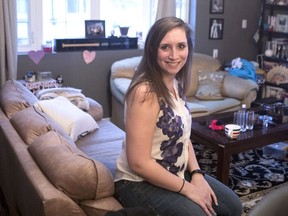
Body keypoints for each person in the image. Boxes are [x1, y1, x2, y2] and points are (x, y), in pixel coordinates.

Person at [113, 16, 243, 216]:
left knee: (233, 206)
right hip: (138, 182)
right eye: (165, 47)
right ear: (152, 49)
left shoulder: (175, 82)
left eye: (181, 46)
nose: (174, 55)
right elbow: (138, 163)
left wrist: (197, 174)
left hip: (175, 172)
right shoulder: (145, 92)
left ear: (188, 48)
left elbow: (183, 135)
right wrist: (188, 188)